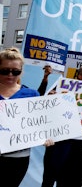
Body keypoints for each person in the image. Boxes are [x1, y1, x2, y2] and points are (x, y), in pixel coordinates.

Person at [0, 47, 54, 187]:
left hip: (17, 159)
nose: (10, 75)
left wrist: (45, 136)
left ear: (21, 71)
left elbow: (40, 123)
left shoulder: (31, 94)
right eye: (5, 71)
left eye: (15, 71)